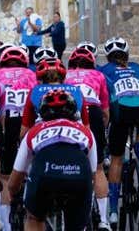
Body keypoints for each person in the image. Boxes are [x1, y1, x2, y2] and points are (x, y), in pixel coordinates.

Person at [7, 88, 97, 231]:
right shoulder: (86, 132)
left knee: (34, 218)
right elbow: (93, 175)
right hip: (78, 174)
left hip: (45, 173)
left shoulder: (34, 131)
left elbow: (16, 176)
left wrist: (14, 196)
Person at [100, 37, 139, 228]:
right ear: (127, 53)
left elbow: (104, 98)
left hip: (121, 109)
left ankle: (113, 211)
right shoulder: (138, 68)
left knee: (116, 159)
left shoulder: (103, 70)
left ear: (108, 56)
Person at [0, 46, 36, 231]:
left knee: (5, 173)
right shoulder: (31, 74)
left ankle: (5, 221)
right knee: (30, 165)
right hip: (27, 120)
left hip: (5, 119)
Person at [66, 46, 112, 229]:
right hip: (93, 110)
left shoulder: (66, 76)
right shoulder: (98, 75)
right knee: (99, 168)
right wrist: (102, 132)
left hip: (71, 109)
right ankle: (103, 220)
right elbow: (106, 113)